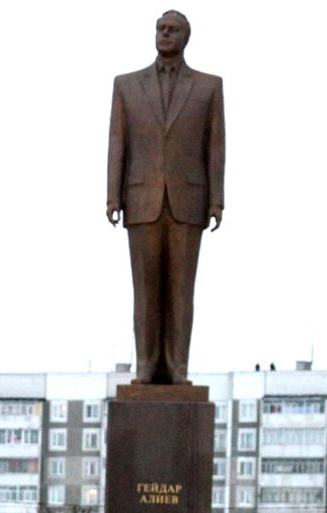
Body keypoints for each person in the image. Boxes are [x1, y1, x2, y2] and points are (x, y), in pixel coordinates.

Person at [106, 10, 225, 385]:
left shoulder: (208, 87)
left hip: (188, 202)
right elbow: (117, 142)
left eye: (172, 30)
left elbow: (215, 145)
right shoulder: (126, 85)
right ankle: (145, 364)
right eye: (161, 29)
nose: (165, 34)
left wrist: (217, 200)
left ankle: (177, 367)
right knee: (145, 290)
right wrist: (112, 196)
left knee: (181, 291)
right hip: (141, 200)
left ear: (185, 37)